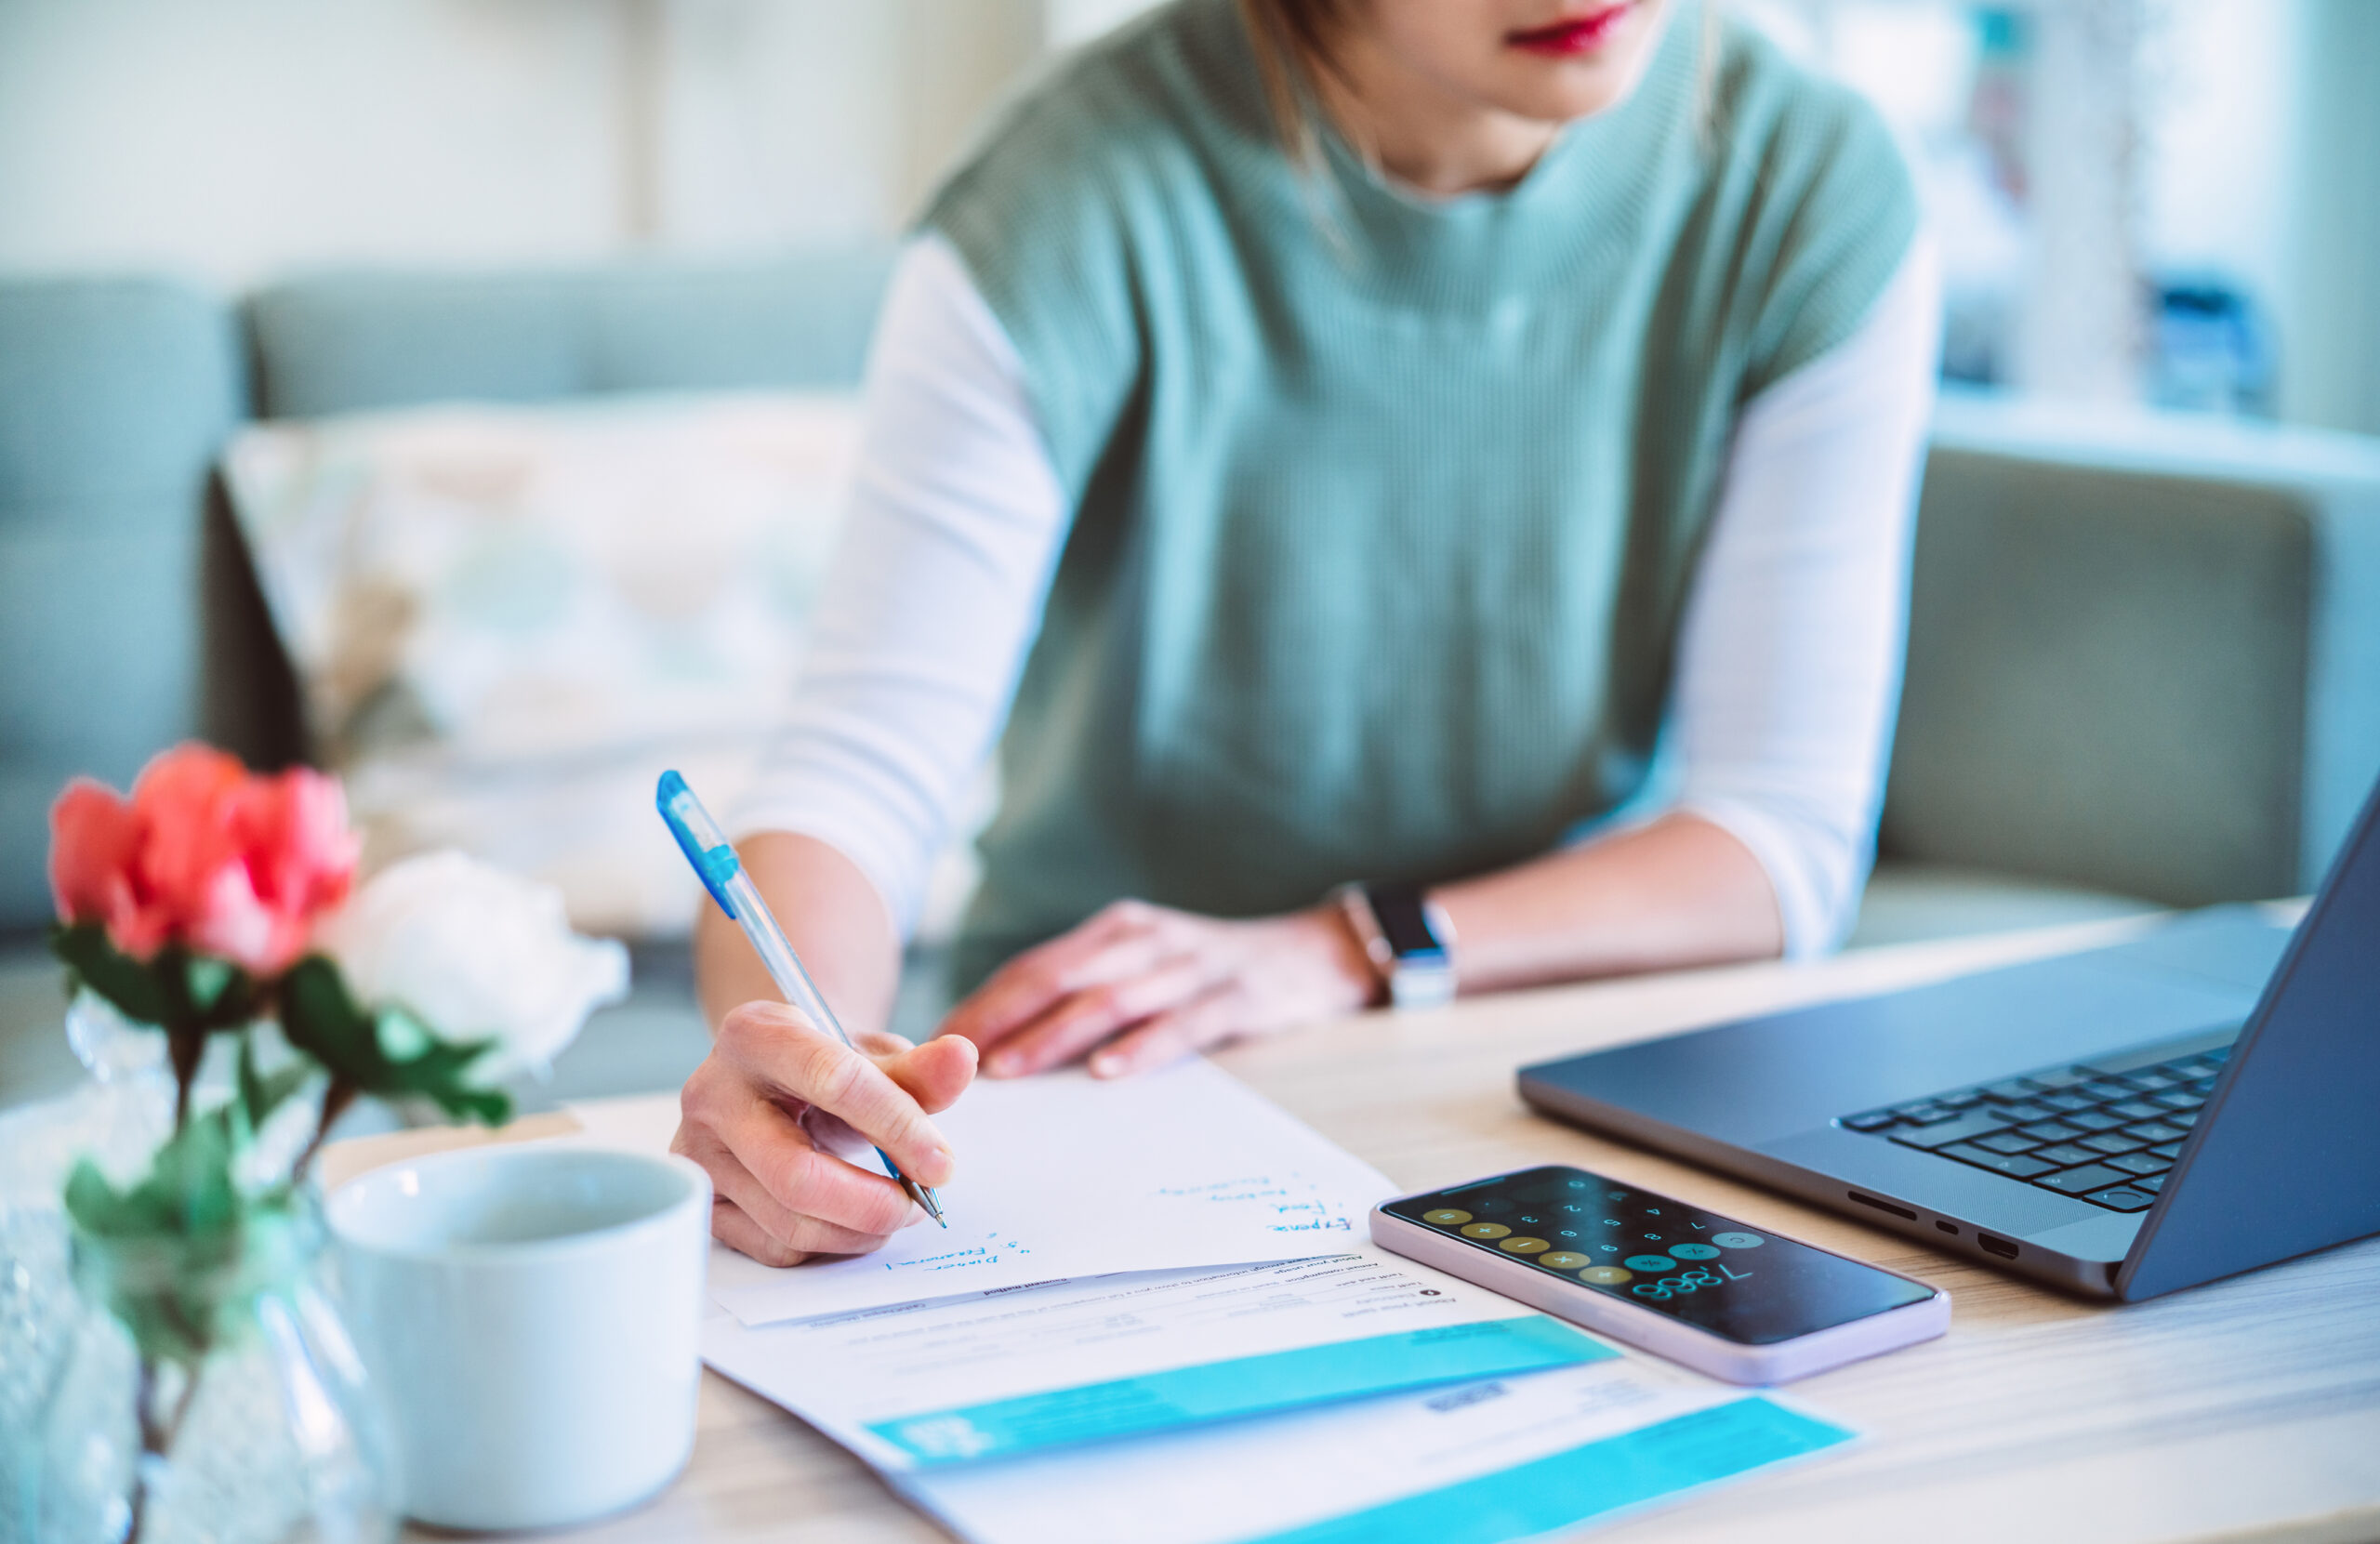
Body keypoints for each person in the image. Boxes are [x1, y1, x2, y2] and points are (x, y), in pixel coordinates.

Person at [673, 0, 1938, 1266]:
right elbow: (858, 767)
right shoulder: (1070, 187)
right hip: (1101, 1082)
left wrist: (1346, 946)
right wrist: (794, 1060)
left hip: (1569, 1074)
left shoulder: (1808, 185)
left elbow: (1779, 836)